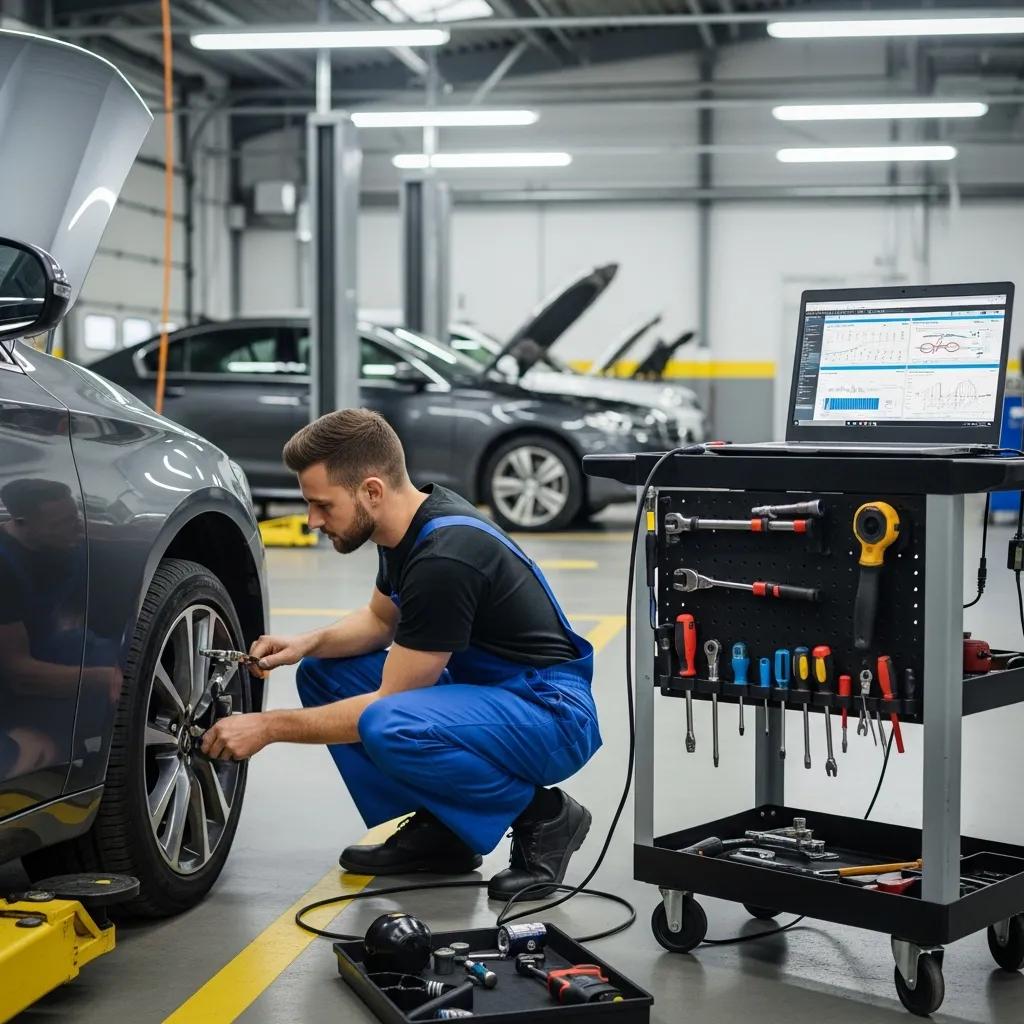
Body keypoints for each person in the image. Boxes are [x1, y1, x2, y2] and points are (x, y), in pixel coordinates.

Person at [201, 408, 602, 899]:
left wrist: (267, 727)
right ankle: (445, 832)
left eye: (322, 505)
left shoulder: (444, 557)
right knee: (325, 673)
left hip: (551, 714)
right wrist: (305, 644)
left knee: (390, 723)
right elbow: (377, 621)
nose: (311, 521)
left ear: (371, 490)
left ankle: (544, 816)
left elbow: (392, 701)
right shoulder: (406, 526)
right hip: (499, 694)